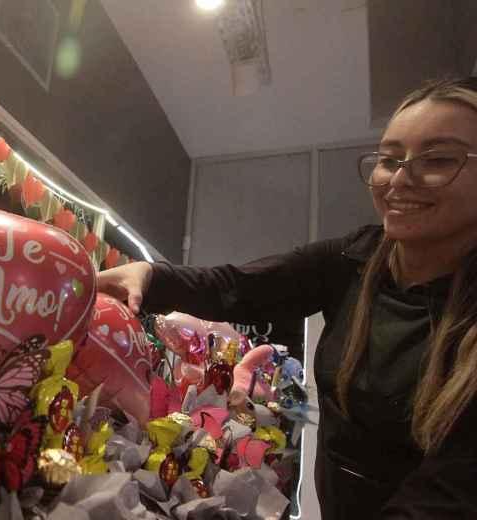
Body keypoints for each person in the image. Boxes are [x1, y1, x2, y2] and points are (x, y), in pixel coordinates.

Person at [98, 77, 477, 519]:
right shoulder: (353, 258)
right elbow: (238, 286)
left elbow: (447, 499)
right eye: (390, 159)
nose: (400, 179)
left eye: (437, 159)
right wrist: (149, 275)